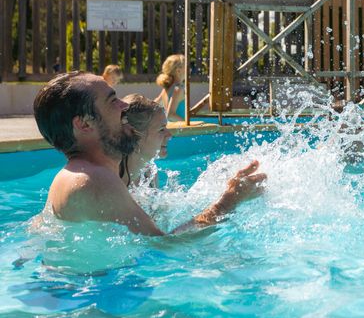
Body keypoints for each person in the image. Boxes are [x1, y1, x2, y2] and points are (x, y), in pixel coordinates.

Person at [33, 71, 266, 236]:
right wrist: (228, 201)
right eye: (112, 101)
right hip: (90, 297)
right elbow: (165, 246)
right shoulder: (91, 180)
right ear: (84, 124)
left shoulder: (84, 175)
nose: (124, 106)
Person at [120, 93, 169, 187]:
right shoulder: (112, 183)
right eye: (161, 129)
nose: (169, 135)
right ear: (134, 135)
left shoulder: (149, 172)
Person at [154, 54, 185, 122]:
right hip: (178, 130)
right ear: (178, 71)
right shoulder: (178, 89)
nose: (189, 70)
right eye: (186, 67)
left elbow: (154, 105)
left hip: (168, 129)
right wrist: (187, 123)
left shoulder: (167, 88)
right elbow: (170, 115)